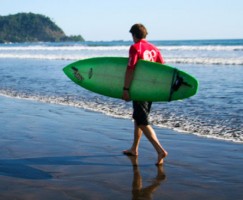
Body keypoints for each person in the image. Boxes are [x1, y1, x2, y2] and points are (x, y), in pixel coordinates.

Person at [122, 23, 168, 165]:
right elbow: (162, 67)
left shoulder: (135, 47)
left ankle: (160, 150)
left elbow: (130, 69)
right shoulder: (154, 48)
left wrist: (126, 89)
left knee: (142, 121)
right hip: (150, 89)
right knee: (138, 119)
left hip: (139, 89)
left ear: (134, 35)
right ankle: (134, 149)